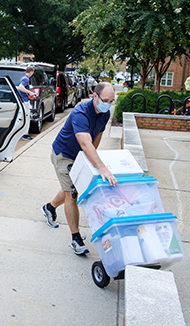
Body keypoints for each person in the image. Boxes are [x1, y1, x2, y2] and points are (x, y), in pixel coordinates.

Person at [41, 82, 118, 255]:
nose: (108, 103)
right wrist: (101, 168)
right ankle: (76, 239)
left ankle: (50, 207)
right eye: (105, 100)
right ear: (95, 96)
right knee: (72, 194)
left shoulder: (104, 114)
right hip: (64, 154)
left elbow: (96, 137)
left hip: (80, 156)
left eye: (112, 101)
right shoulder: (80, 113)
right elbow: (84, 142)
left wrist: (91, 160)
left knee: (72, 187)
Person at [17, 66, 35, 141]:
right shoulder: (26, 79)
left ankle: (24, 134)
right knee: (26, 117)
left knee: (22, 117)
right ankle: (25, 135)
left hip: (23, 100)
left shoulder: (23, 78)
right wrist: (29, 92)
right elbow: (20, 87)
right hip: (24, 101)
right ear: (31, 72)